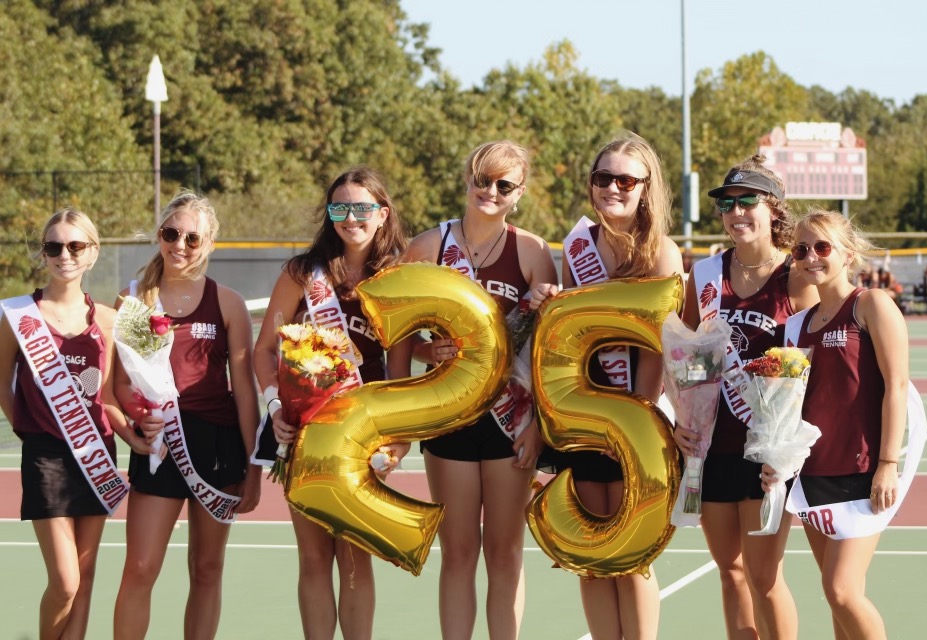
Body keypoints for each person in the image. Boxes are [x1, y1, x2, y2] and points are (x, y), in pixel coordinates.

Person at [529, 133, 683, 639]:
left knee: (631, 552)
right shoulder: (578, 247)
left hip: (634, 415)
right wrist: (551, 300)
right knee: (593, 550)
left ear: (646, 187)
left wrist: (633, 419)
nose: (613, 188)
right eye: (603, 178)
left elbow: (661, 346)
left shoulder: (661, 252)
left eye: (625, 179)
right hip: (580, 412)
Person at [403, 140, 556, 639]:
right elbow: (399, 330)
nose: (489, 191)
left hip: (512, 419)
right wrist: (427, 354)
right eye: (481, 179)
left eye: (503, 184)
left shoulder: (532, 250)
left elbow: (546, 352)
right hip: (448, 413)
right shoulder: (428, 246)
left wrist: (536, 425)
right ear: (468, 179)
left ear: (519, 194)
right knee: (460, 550)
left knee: (506, 550)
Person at [252, 166, 409, 639]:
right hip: (306, 434)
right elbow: (264, 350)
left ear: (382, 214)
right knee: (315, 557)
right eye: (340, 207)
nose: (350, 217)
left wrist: (397, 442)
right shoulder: (304, 273)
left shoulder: (399, 276)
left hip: (365, 437)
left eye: (362, 208)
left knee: (356, 557)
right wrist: (276, 404)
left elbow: (400, 370)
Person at [674, 154, 818, 640]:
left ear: (773, 208)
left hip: (768, 453)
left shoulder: (797, 276)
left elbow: (814, 363)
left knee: (763, 575)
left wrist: (791, 447)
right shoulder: (706, 275)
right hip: (715, 447)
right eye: (727, 204)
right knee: (729, 570)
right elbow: (692, 354)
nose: (736, 212)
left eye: (747, 201)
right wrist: (687, 407)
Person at [113, 191, 261, 640]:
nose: (180, 245)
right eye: (171, 234)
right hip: (160, 447)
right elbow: (120, 384)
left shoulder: (228, 303)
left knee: (207, 568)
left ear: (209, 244)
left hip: (217, 448)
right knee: (140, 568)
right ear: (159, 236)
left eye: (192, 238)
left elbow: (245, 393)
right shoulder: (135, 299)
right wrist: (138, 427)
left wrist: (254, 465)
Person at [763, 208, 909, 638]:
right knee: (837, 598)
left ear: (846, 253)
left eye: (822, 247)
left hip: (862, 472)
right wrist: (777, 460)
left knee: (841, 589)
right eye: (802, 249)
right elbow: (787, 406)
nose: (812, 257)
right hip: (813, 475)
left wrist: (888, 462)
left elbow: (897, 386)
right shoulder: (796, 326)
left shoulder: (871, 305)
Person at [0, 208, 141, 639]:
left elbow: (110, 398)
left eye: (75, 245)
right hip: (45, 455)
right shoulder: (17, 316)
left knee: (86, 577)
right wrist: (25, 423)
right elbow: (2, 382)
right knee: (65, 581)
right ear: (43, 254)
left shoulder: (107, 320)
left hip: (95, 453)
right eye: (54, 246)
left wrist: (136, 436)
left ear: (92, 253)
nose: (65, 254)